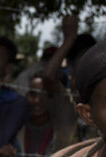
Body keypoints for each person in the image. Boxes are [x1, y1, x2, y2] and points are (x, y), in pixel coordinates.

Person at [42, 16, 99, 144]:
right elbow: (48, 76)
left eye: (91, 76)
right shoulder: (65, 102)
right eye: (80, 75)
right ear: (71, 75)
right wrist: (69, 39)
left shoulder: (100, 108)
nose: (84, 83)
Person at [16, 73, 76, 157]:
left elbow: (51, 75)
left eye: (44, 95)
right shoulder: (17, 130)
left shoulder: (61, 131)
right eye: (33, 94)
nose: (38, 100)